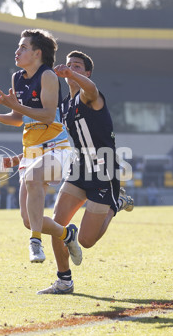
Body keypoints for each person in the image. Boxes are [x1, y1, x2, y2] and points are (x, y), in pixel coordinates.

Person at [35, 50, 134, 294]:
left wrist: (72, 75)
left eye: (77, 66)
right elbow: (54, 136)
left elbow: (90, 88)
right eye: (68, 65)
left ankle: (116, 203)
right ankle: (64, 280)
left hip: (103, 169)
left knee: (86, 241)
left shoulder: (90, 96)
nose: (71, 69)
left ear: (87, 73)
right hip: (78, 167)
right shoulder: (64, 104)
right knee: (58, 224)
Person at [0, 29, 74, 264]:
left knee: (33, 178)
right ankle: (67, 233)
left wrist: (15, 106)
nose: (17, 51)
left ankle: (35, 243)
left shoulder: (48, 76)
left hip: (57, 148)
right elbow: (19, 118)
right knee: (29, 219)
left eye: (23, 47)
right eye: (18, 47)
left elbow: (48, 116)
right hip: (32, 152)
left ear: (37, 53)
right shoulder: (17, 78)